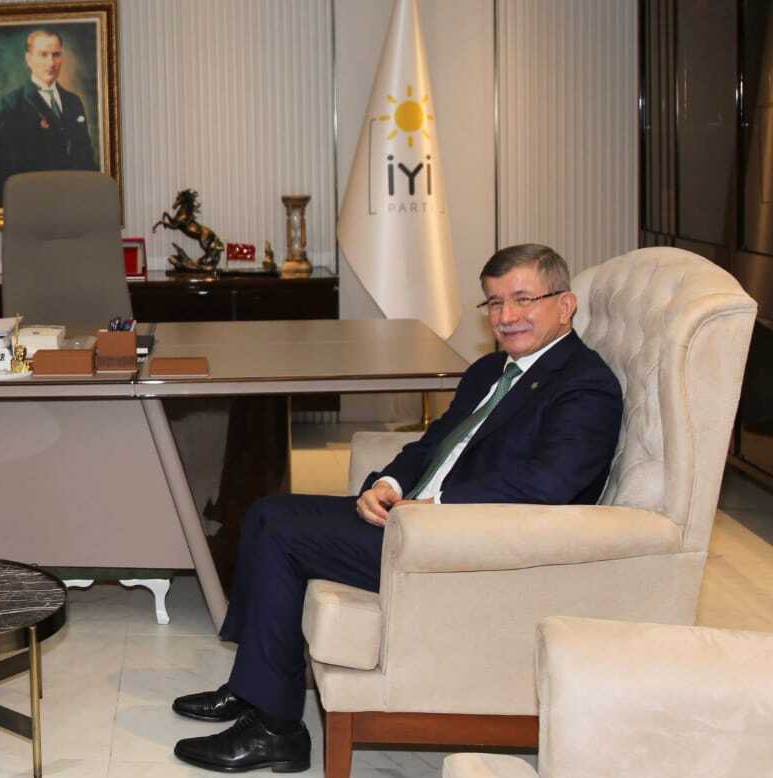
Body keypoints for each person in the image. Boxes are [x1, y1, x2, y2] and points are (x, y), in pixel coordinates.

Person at [169, 244, 623, 773]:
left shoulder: (585, 385)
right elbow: (431, 445)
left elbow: (548, 484)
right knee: (268, 513)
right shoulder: (489, 371)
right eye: (495, 303)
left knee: (279, 531)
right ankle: (254, 688)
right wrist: (387, 483)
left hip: (463, 541)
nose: (506, 316)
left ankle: (276, 730)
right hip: (414, 519)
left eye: (523, 300)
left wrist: (434, 505)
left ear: (565, 305)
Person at [0, 29, 97, 208]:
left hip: (74, 206)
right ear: (29, 59)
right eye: (43, 55)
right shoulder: (10, 105)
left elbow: (86, 160)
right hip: (32, 207)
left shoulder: (73, 102)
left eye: (56, 55)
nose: (51, 63)